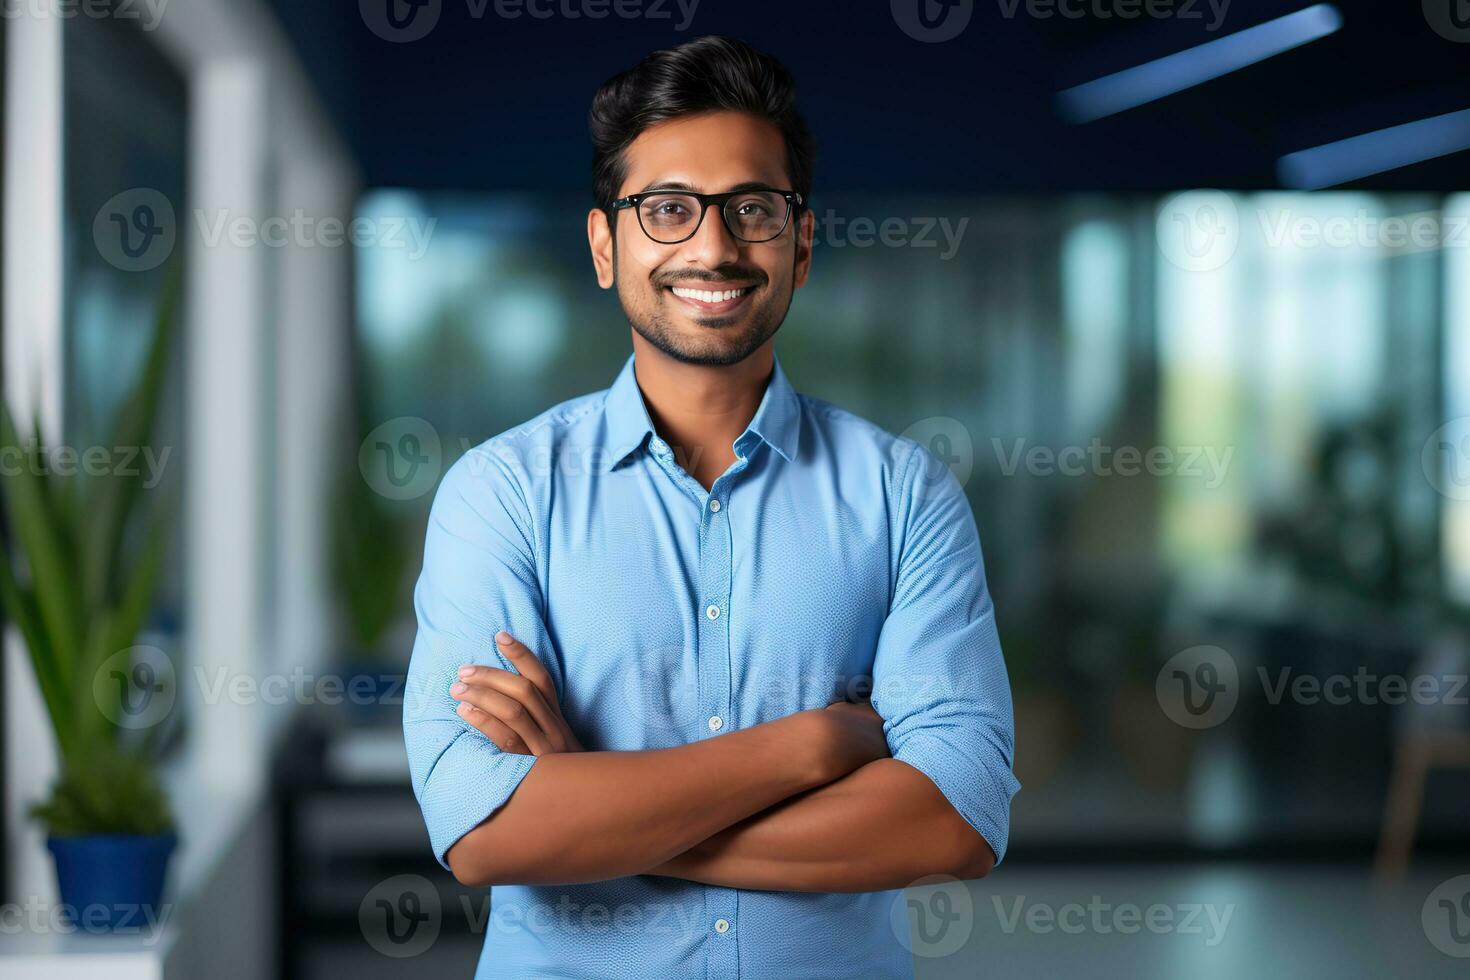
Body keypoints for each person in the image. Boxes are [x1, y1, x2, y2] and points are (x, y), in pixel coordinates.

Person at [403, 34, 1020, 979]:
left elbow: (960, 816)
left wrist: (587, 807)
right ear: (606, 245)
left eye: (754, 209)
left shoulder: (905, 496)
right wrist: (814, 745)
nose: (715, 245)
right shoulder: (502, 495)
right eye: (667, 209)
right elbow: (480, 827)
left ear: (801, 243)